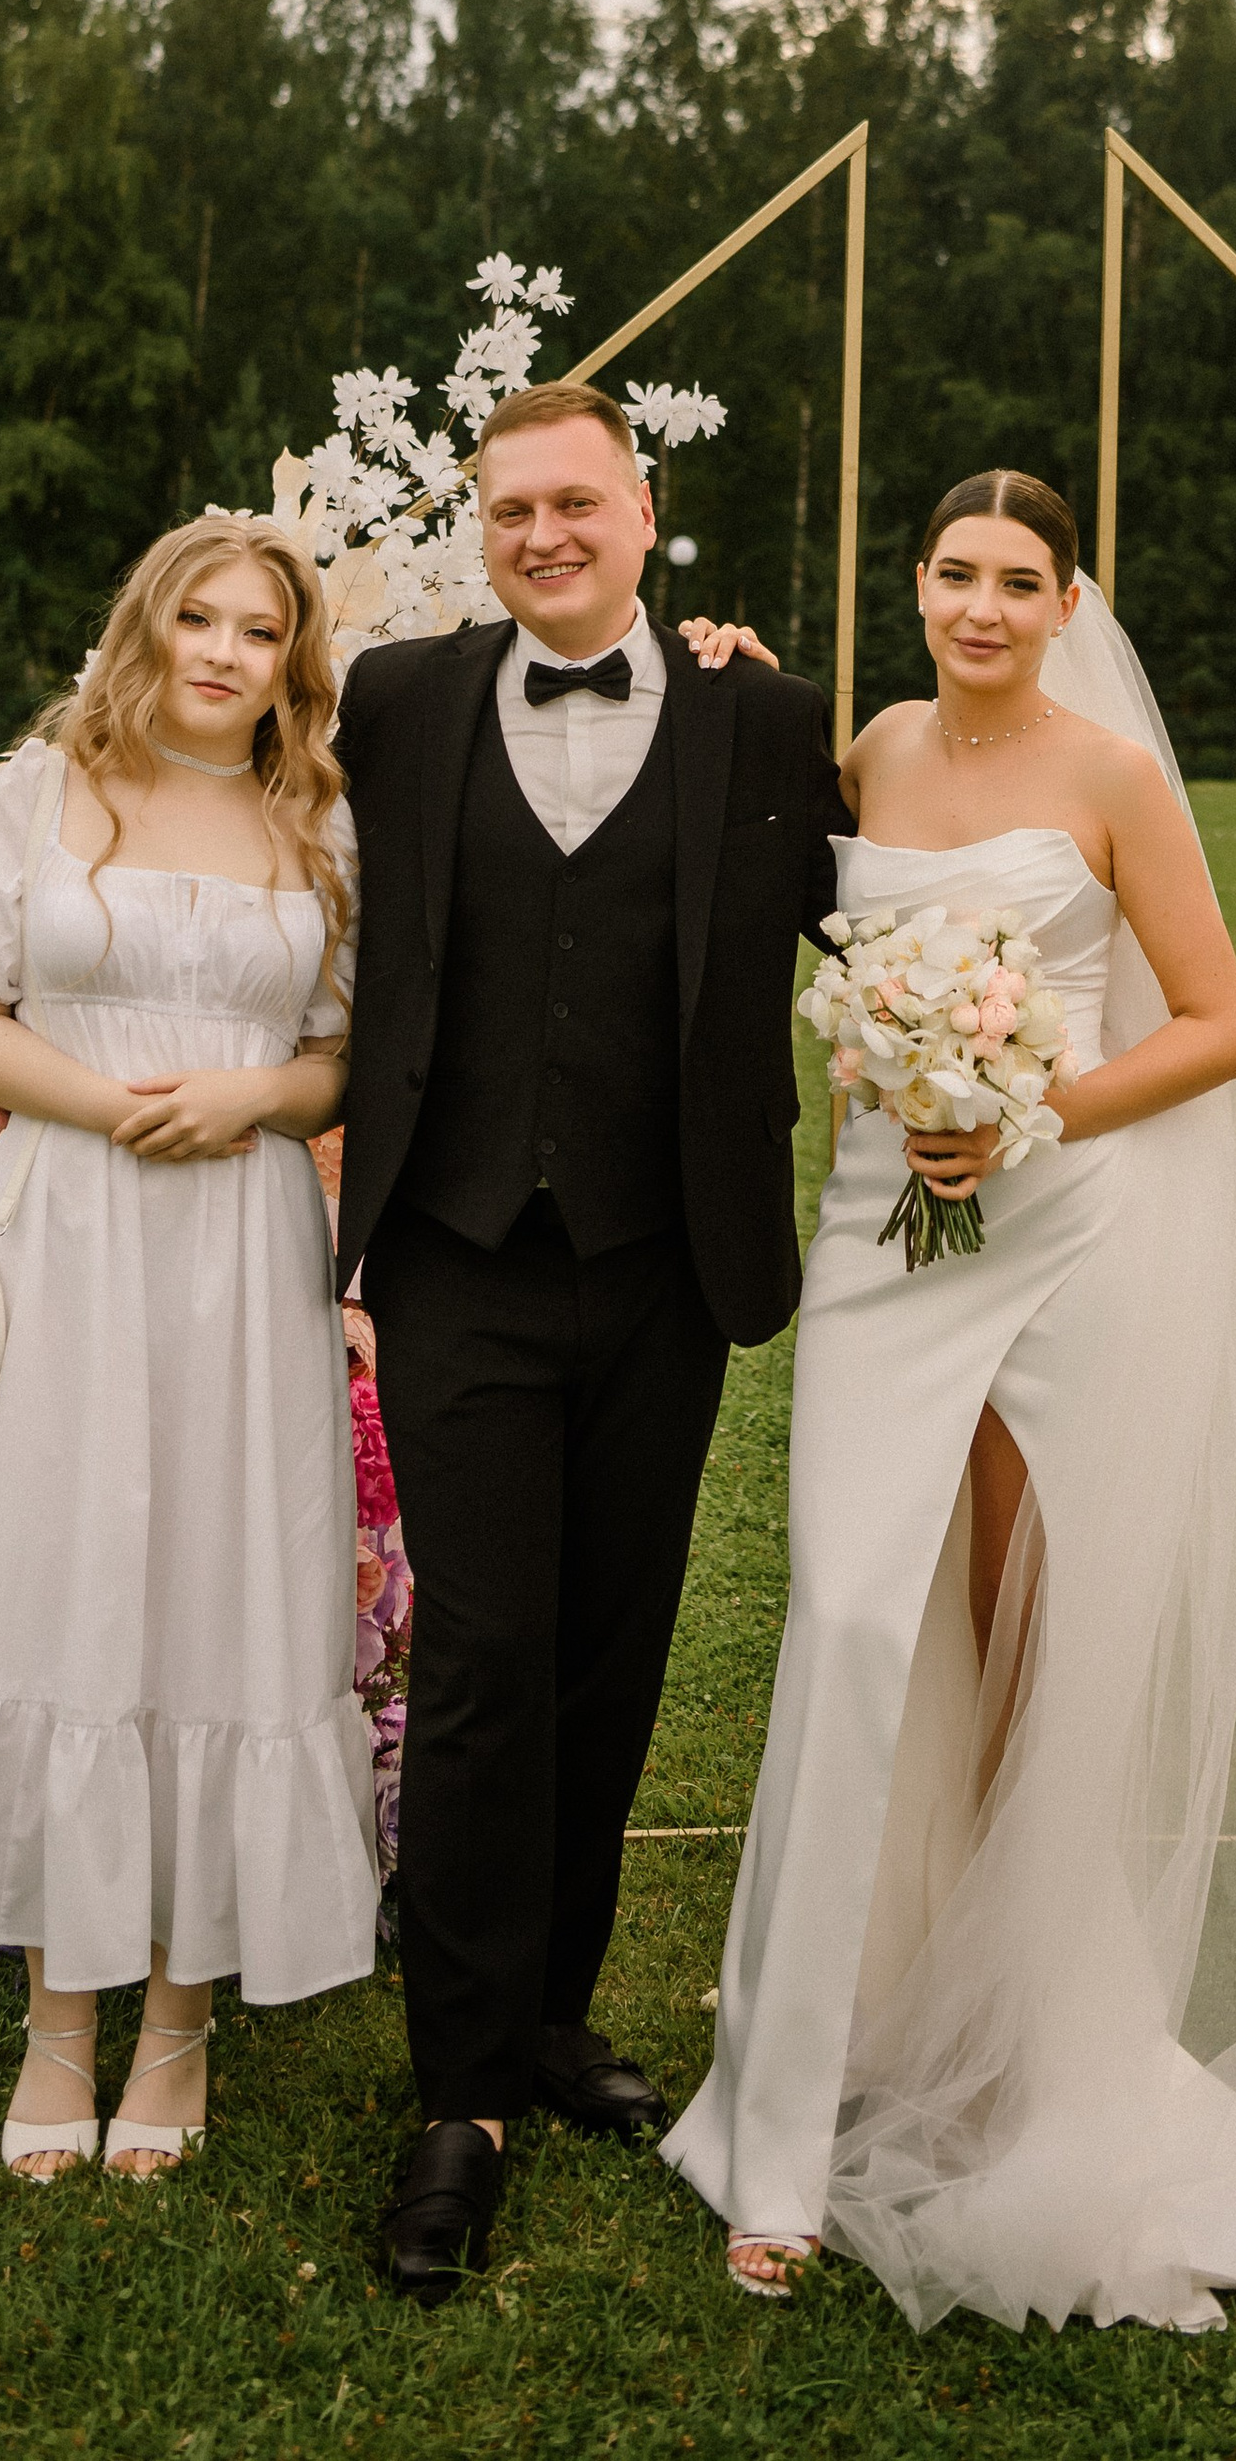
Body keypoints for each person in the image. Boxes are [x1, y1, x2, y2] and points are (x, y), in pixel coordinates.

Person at [663, 470, 1236, 2329]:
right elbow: (761, 863)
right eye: (953, 574)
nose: (980, 606)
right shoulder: (873, 755)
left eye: (1017, 580)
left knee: (1027, 1627)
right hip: (880, 1239)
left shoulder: (1116, 780)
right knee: (850, 1617)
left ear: (1069, 602)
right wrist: (722, 673)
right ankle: (783, 2121)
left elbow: (1221, 1023)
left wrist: (1031, 1105)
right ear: (915, 586)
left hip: (1064, 1226)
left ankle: (1016, 2042)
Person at [332, 378, 848, 2305]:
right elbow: (223, 780)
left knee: (610, 1653)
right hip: (454, 1251)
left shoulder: (765, 719)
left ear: (646, 513)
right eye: (509, 509)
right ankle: (460, 2096)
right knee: (484, 1658)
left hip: (663, 1260)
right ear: (481, 531)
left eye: (576, 503)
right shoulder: (394, 700)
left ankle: (551, 2013)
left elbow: (903, 918)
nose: (542, 535)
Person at [0, 519, 376, 2180]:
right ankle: (61, 2021)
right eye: (197, 618)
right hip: (68, 1222)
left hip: (241, 1244)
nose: (222, 652)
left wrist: (256, 1096)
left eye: (258, 631)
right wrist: (114, 1107)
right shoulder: (42, 789)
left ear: (290, 661)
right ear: (146, 625)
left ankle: (180, 2021)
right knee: (61, 1580)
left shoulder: (322, 815)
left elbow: (343, 1049)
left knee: (221, 1587)